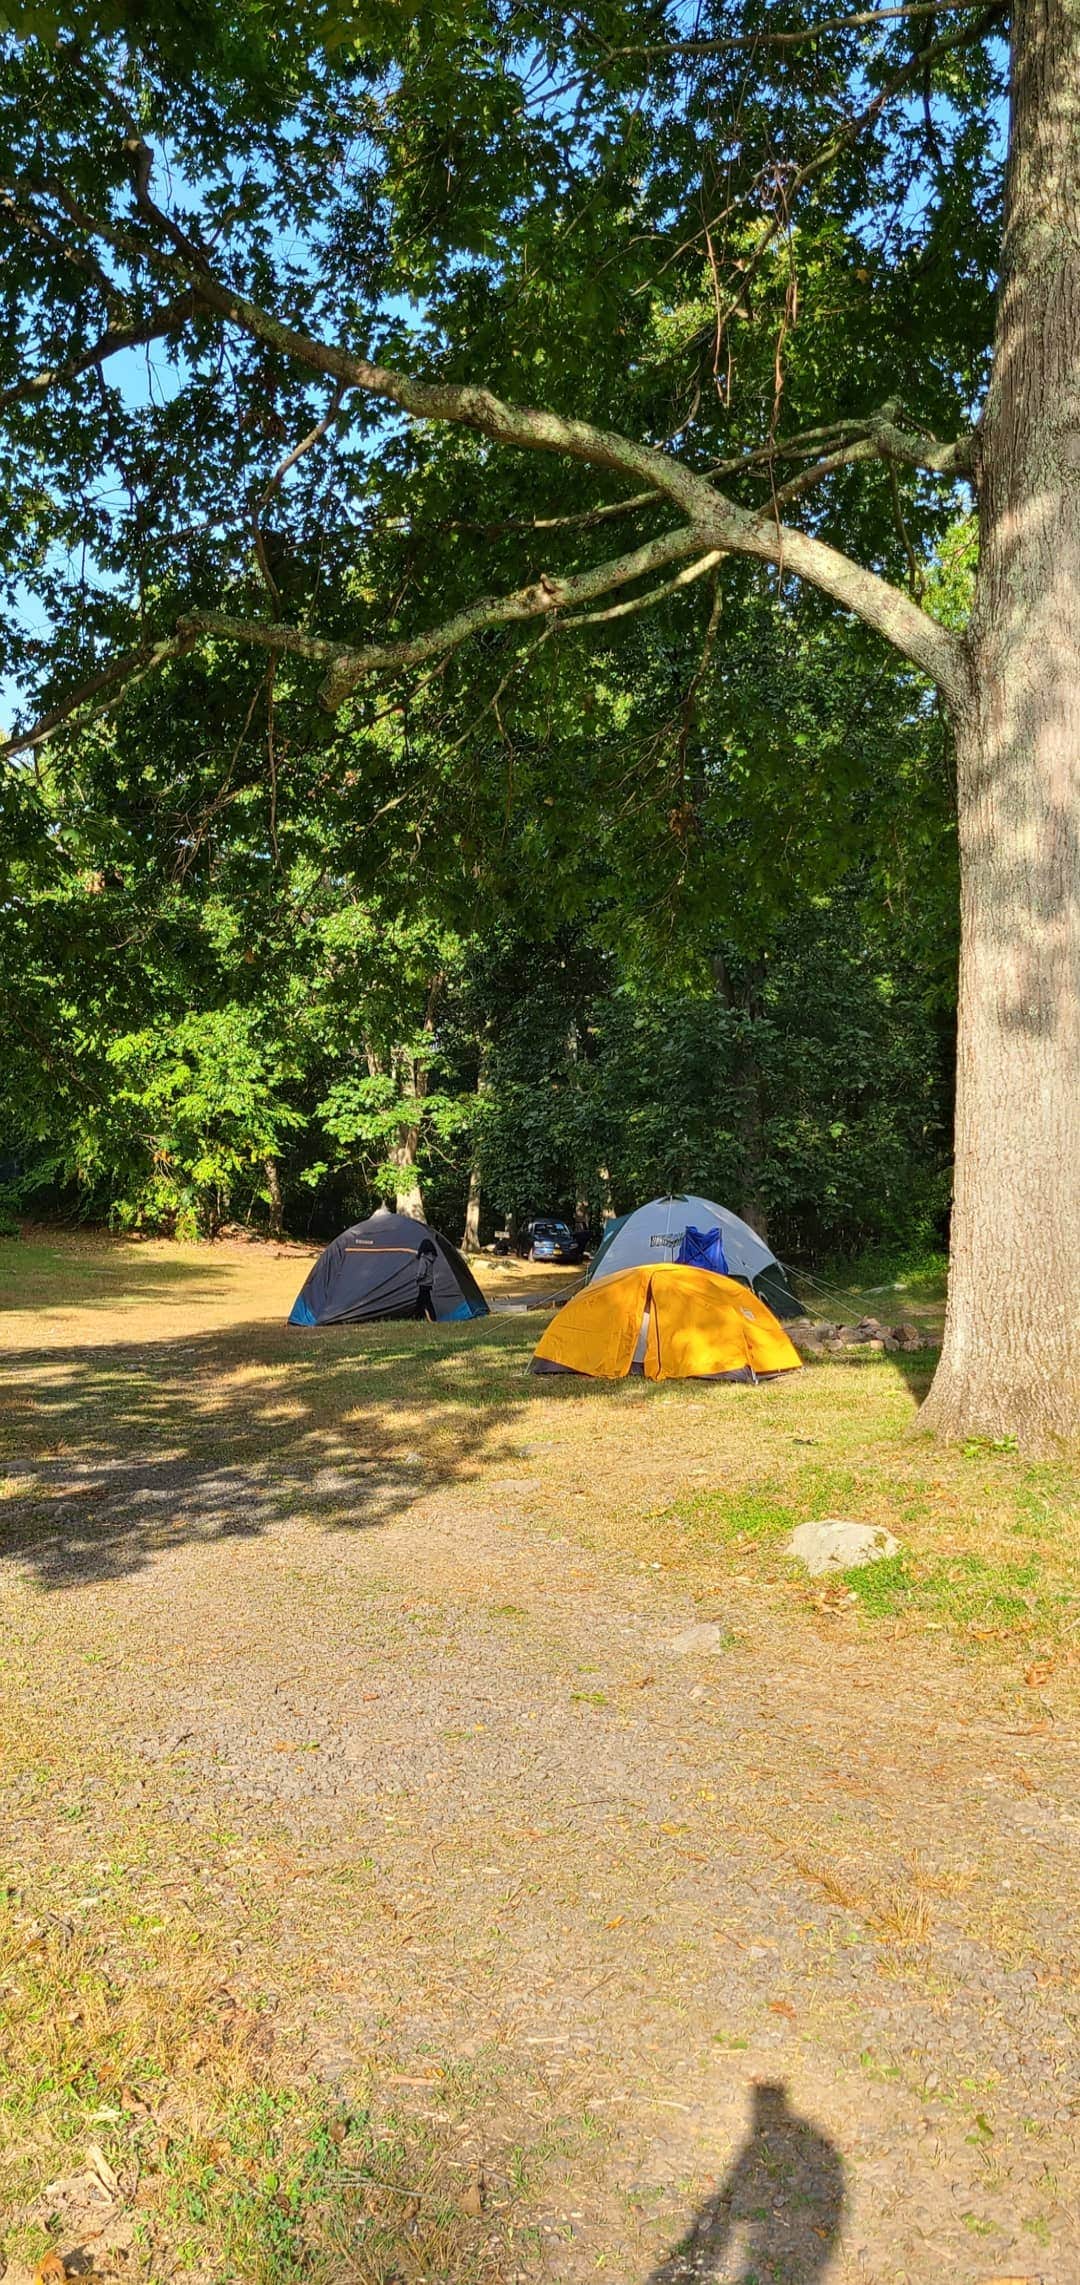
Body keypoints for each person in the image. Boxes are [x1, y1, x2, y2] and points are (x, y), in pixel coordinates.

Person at [413, 1238, 438, 1320]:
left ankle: (432, 1319)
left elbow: (421, 1272)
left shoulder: (423, 1259)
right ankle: (417, 1317)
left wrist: (416, 1278)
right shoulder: (431, 1258)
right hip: (429, 1283)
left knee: (426, 1302)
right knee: (420, 1301)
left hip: (423, 1283)